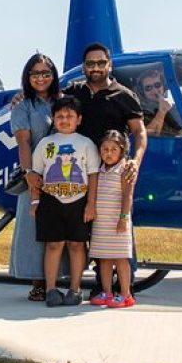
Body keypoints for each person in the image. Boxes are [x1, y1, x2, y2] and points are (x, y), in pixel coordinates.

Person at [63, 42, 147, 297]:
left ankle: (124, 286)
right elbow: (47, 98)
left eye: (101, 63)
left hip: (113, 173)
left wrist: (135, 161)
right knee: (93, 231)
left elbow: (140, 132)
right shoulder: (74, 92)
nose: (96, 67)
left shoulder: (124, 95)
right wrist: (21, 96)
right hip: (81, 172)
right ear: (84, 67)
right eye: (90, 63)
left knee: (119, 228)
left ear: (110, 65)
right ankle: (102, 284)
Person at [29, 95, 101, 307]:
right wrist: (35, 201)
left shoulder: (86, 143)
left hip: (79, 201)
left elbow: (94, 174)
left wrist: (91, 204)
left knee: (77, 245)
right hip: (51, 200)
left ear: (79, 119)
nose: (64, 119)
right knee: (53, 245)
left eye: (70, 116)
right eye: (59, 116)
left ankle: (75, 288)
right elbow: (36, 174)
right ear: (53, 119)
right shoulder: (46, 143)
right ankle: (51, 289)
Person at [9, 53, 63, 301]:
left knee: (62, 227)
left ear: (53, 76)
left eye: (45, 73)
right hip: (37, 173)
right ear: (27, 77)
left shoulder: (65, 101)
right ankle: (37, 281)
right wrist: (29, 174)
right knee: (33, 228)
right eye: (35, 73)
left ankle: (61, 278)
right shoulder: (23, 107)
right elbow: (23, 142)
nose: (40, 78)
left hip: (63, 173)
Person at [89, 130, 135, 308]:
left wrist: (123, 218)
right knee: (104, 258)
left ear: (122, 151)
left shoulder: (124, 169)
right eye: (105, 149)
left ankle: (126, 294)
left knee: (121, 258)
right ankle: (107, 292)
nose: (108, 153)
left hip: (118, 221)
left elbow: (127, 196)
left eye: (113, 149)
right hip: (102, 222)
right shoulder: (99, 170)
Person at [137, 67, 182, 137]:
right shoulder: (140, 112)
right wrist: (162, 111)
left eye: (157, 85)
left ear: (163, 87)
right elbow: (150, 136)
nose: (155, 91)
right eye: (148, 88)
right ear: (142, 92)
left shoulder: (174, 108)